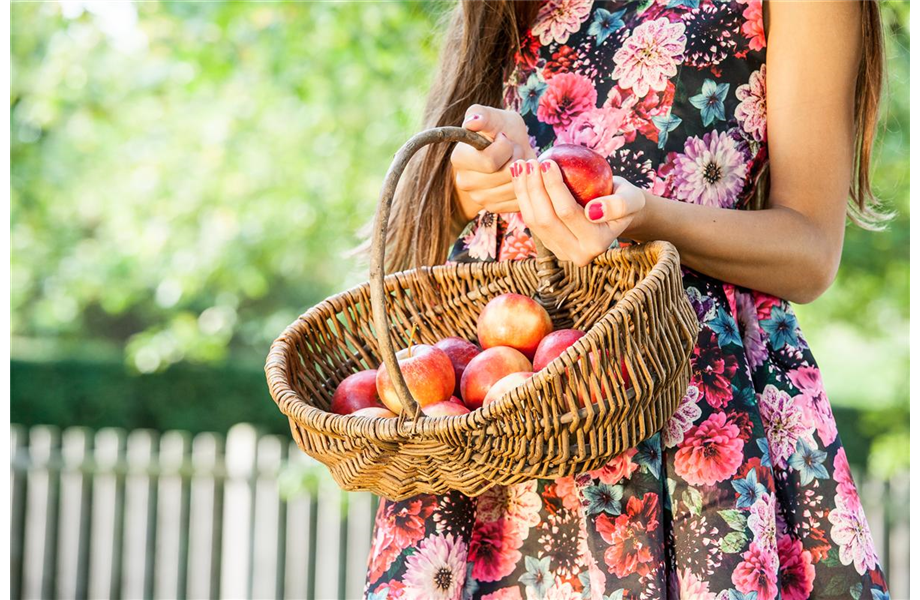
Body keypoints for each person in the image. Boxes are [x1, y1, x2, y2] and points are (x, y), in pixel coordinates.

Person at [355, 0, 892, 598]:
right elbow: (421, 240)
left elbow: (811, 252)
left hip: (684, 405)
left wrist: (646, 218)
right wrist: (465, 186)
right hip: (501, 415)